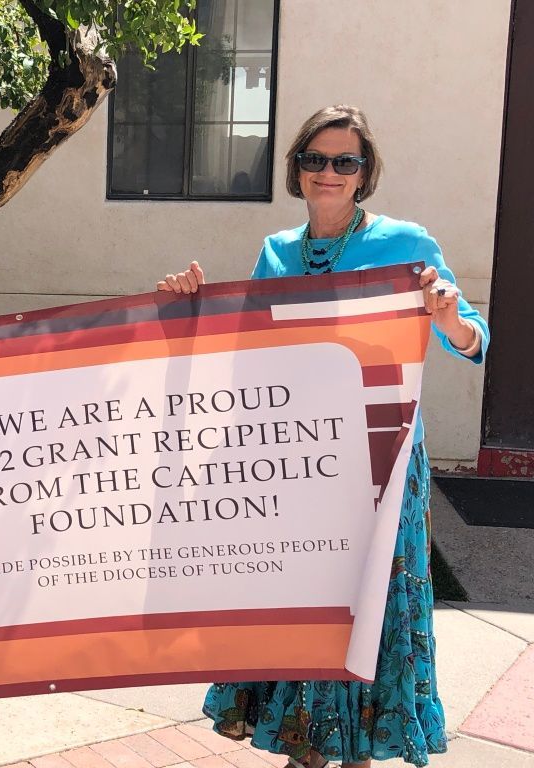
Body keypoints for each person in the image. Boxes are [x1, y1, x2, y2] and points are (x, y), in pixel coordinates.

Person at [157, 105, 488, 768]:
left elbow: (474, 340)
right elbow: (250, 353)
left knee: (368, 615)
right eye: (316, 159)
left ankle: (356, 754)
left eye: (346, 160)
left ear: (365, 173)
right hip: (300, 461)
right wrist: (187, 316)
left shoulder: (408, 243)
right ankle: (306, 751)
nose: (329, 172)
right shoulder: (278, 252)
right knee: (308, 611)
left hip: (382, 462)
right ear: (297, 171)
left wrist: (449, 318)